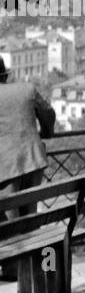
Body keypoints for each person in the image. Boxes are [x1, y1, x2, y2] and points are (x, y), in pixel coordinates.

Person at [0, 56, 57, 280]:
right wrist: (47, 132)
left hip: (4, 166)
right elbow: (49, 114)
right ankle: (33, 266)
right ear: (5, 74)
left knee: (11, 218)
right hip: (33, 159)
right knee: (30, 213)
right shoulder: (27, 89)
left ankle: (15, 269)